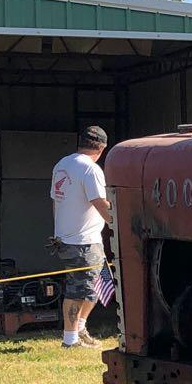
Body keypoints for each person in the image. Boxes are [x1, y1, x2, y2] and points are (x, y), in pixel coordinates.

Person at [49, 126, 112, 349]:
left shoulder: (62, 164)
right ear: (102, 148)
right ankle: (70, 339)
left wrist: (59, 231)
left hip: (68, 240)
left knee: (98, 285)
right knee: (77, 290)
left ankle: (80, 327)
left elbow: (56, 201)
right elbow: (99, 202)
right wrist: (116, 220)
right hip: (83, 242)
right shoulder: (91, 169)